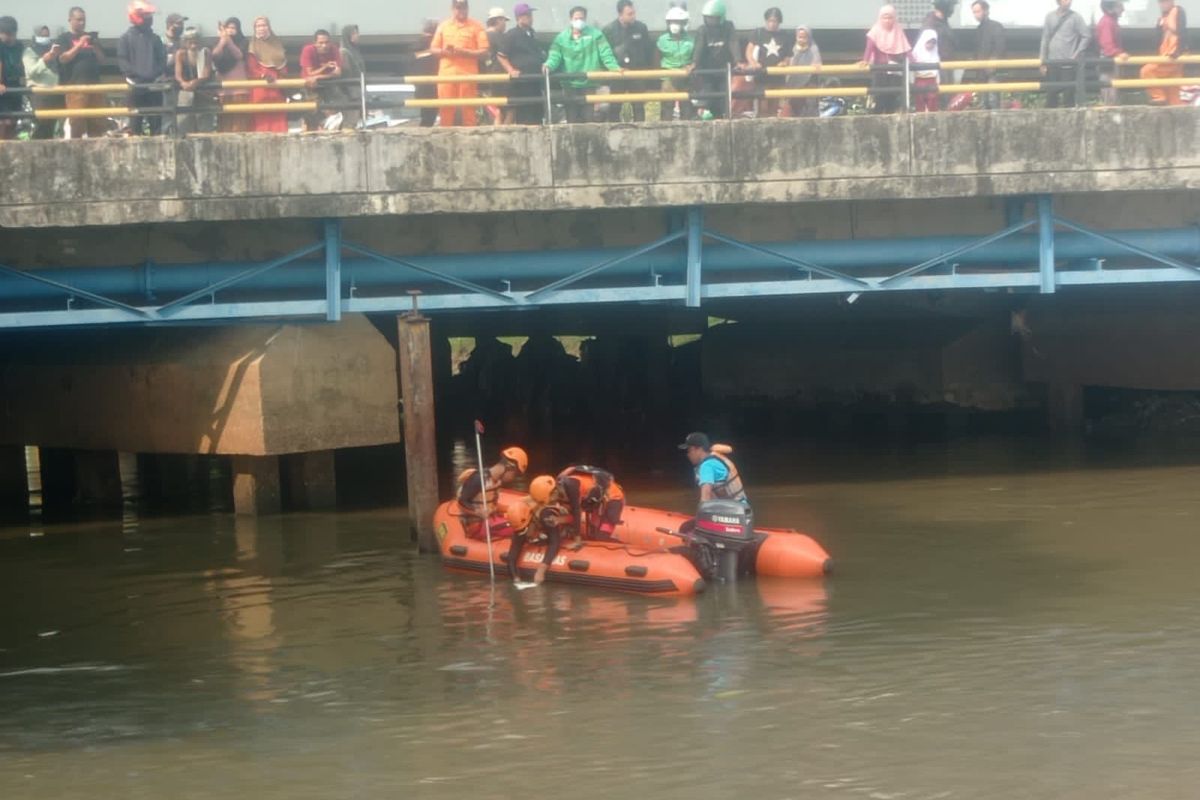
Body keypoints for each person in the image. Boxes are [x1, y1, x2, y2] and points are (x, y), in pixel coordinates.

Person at [543, 6, 621, 123]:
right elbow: (554, 56)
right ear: (570, 19)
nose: (579, 21)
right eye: (576, 18)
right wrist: (548, 65)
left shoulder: (596, 35)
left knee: (588, 118)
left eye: (582, 18)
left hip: (589, 83)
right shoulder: (561, 38)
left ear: (585, 19)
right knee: (571, 119)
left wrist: (615, 68)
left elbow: (606, 54)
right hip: (569, 84)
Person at [430, 0, 490, 127]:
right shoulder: (443, 26)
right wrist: (444, 51)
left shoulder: (477, 26)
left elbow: (485, 52)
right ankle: (445, 135)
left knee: (469, 109)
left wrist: (466, 52)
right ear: (453, 9)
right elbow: (433, 49)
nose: (461, 10)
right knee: (445, 108)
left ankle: (471, 137)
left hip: (468, 75)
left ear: (468, 8)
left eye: (463, 7)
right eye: (458, 7)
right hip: (446, 75)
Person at [506, 474, 570, 585]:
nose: (523, 533)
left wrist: (541, 570)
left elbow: (555, 542)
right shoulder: (521, 523)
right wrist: (516, 580)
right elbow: (511, 558)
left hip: (557, 523)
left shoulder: (545, 515)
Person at [455, 446, 528, 540]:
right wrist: (478, 513)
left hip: (491, 520)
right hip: (477, 526)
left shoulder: (497, 481)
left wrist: (511, 508)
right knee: (519, 527)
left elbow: (492, 505)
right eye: (515, 474)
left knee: (521, 520)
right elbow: (461, 503)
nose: (512, 479)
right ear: (509, 467)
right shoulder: (478, 479)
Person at [117, 1, 167, 136]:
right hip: (135, 87)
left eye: (150, 16)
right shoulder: (125, 39)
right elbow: (123, 62)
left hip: (154, 86)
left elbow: (162, 61)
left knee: (156, 125)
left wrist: (154, 76)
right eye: (146, 16)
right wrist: (137, 77)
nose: (149, 19)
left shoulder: (156, 39)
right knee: (135, 126)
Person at [57, 7, 107, 139]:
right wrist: (80, 44)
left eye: (84, 20)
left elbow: (102, 60)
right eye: (79, 20)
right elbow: (63, 58)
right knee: (77, 123)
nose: (82, 23)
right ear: (70, 20)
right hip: (75, 87)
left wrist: (95, 45)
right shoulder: (63, 38)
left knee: (97, 123)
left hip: (95, 86)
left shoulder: (91, 38)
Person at [603, 0, 654, 122]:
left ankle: (641, 131)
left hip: (637, 72)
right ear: (620, 14)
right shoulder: (609, 30)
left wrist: (645, 69)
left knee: (638, 106)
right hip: (617, 73)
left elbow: (648, 50)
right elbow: (605, 53)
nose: (633, 16)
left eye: (634, 13)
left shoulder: (641, 28)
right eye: (629, 14)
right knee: (615, 106)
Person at [497, 3, 546, 125]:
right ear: (519, 17)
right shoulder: (512, 34)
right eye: (527, 15)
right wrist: (511, 70)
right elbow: (501, 55)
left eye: (531, 15)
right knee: (524, 117)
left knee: (537, 115)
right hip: (521, 84)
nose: (530, 18)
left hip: (535, 82)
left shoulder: (532, 34)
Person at [691, 0, 740, 119]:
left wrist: (738, 61)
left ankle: (723, 119)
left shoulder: (728, 27)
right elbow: (699, 47)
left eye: (714, 18)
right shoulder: (702, 30)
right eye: (708, 18)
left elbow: (733, 43)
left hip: (724, 71)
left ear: (721, 17)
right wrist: (694, 63)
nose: (710, 21)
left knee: (724, 100)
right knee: (706, 100)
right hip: (707, 72)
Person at [554, 464, 626, 546]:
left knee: (602, 538)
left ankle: (624, 546)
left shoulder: (571, 487)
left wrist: (577, 539)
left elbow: (576, 512)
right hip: (596, 499)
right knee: (592, 535)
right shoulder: (561, 483)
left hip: (613, 498)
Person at [1039, 0, 1091, 108]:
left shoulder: (1076, 17)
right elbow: (1045, 39)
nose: (1069, 2)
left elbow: (1087, 35)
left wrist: (1077, 53)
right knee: (1051, 94)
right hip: (1052, 61)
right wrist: (1042, 60)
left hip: (1069, 62)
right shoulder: (1049, 16)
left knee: (1068, 95)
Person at [861, 5, 911, 114]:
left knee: (892, 98)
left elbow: (906, 48)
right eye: (885, 18)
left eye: (890, 18)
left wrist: (913, 60)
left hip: (894, 72)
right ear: (880, 18)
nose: (887, 21)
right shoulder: (874, 32)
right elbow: (869, 48)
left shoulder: (898, 31)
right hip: (880, 71)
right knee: (879, 97)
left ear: (894, 18)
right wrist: (865, 60)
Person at [746, 7, 792, 119]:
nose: (772, 24)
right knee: (762, 106)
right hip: (761, 75)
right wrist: (753, 62)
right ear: (766, 21)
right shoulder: (758, 33)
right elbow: (749, 50)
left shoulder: (785, 35)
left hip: (778, 76)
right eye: (769, 20)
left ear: (779, 21)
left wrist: (784, 63)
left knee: (775, 106)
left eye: (775, 21)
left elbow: (788, 55)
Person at [1140, 0, 1188, 106]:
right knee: (1172, 89)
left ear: (1171, 1)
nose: (1162, 4)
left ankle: (1159, 97)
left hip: (1173, 55)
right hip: (1166, 55)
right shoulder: (1163, 17)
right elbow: (1158, 39)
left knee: (1146, 71)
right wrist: (1159, 25)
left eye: (1165, 2)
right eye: (1160, 2)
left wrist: (1178, 51)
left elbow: (1181, 32)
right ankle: (1177, 109)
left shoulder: (1177, 11)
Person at [679, 432, 747, 504]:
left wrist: (701, 513)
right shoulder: (714, 458)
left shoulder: (707, 466)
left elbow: (705, 498)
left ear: (699, 449)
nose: (688, 454)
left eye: (689, 450)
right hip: (741, 507)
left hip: (733, 511)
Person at [247, 17, 287, 134]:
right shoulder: (252, 46)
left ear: (269, 27)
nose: (261, 28)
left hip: (277, 85)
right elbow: (251, 68)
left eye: (264, 25)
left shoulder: (277, 44)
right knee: (261, 116)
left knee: (278, 114)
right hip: (260, 86)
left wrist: (281, 75)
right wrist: (263, 75)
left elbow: (283, 64)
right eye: (258, 26)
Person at [23, 25, 62, 140]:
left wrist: (54, 55)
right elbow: (31, 72)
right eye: (42, 36)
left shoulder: (52, 50)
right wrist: (44, 60)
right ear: (36, 36)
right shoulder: (29, 51)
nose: (45, 38)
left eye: (47, 36)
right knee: (42, 124)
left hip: (54, 92)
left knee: (52, 125)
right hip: (39, 93)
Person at [657, 6, 695, 120]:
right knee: (666, 107)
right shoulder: (662, 40)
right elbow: (656, 58)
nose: (675, 25)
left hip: (685, 76)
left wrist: (691, 66)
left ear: (683, 23)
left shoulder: (690, 40)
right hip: (668, 77)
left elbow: (694, 57)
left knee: (686, 106)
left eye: (678, 22)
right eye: (672, 22)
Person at [212, 17, 250, 132]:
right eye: (228, 27)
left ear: (238, 29)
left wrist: (228, 41)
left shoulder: (243, 41)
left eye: (233, 28)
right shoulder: (220, 42)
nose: (230, 30)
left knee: (239, 123)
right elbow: (215, 55)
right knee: (224, 123)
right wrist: (223, 41)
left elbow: (239, 55)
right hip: (223, 90)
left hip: (239, 89)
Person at [299, 29, 342, 131]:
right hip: (310, 87)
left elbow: (338, 73)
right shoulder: (308, 50)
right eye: (321, 43)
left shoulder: (334, 49)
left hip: (327, 86)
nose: (324, 45)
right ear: (315, 43)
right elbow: (310, 73)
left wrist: (318, 76)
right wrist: (326, 67)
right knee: (311, 115)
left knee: (334, 109)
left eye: (327, 42)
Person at [174, 26, 212, 134]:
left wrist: (195, 82)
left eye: (195, 42)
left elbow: (206, 73)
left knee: (204, 124)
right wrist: (183, 83)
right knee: (184, 122)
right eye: (190, 43)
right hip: (185, 91)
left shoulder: (206, 52)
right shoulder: (181, 53)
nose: (193, 46)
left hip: (204, 90)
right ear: (185, 43)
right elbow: (178, 74)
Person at [971, 0, 1006, 110]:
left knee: (992, 99)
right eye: (974, 12)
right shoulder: (978, 29)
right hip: (981, 71)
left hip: (993, 70)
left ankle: (995, 124)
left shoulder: (996, 26)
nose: (976, 14)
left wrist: (992, 64)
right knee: (983, 101)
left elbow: (1000, 48)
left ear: (986, 11)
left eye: (978, 11)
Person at [1096, 0, 1127, 105]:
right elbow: (1108, 46)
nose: (1123, 9)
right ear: (1111, 8)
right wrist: (1119, 53)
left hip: (1110, 63)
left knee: (1113, 95)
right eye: (1119, 6)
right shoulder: (1107, 22)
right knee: (1110, 97)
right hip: (1108, 64)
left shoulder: (1110, 21)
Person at [785, 25, 821, 117]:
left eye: (804, 37)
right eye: (799, 37)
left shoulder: (813, 48)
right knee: (794, 104)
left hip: (809, 80)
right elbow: (789, 61)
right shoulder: (792, 49)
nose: (801, 39)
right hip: (794, 81)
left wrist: (815, 64)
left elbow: (817, 61)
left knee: (811, 103)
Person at [483, 8, 510, 124]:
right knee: (508, 109)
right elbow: (505, 55)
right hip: (499, 77)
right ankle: (502, 133)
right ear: (498, 20)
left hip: (485, 78)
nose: (505, 24)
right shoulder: (498, 36)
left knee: (493, 110)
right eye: (504, 20)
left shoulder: (482, 35)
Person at [0, 17, 23, 142]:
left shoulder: (20, 46)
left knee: (13, 120)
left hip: (16, 85)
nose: (7, 37)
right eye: (4, 33)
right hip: (3, 88)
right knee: (4, 121)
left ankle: (9, 147)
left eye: (10, 34)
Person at [413, 20, 440, 128]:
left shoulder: (416, 45)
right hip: (433, 86)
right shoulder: (433, 44)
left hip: (422, 86)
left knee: (427, 117)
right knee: (429, 118)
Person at [340, 25, 367, 129]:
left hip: (357, 92)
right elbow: (347, 74)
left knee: (354, 122)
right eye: (354, 33)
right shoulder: (344, 52)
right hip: (350, 94)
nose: (357, 36)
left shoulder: (354, 51)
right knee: (350, 122)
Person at [923, 0, 957, 74]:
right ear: (944, 6)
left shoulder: (943, 22)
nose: (952, 10)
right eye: (951, 6)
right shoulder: (931, 23)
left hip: (946, 65)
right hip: (937, 67)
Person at [913, 29, 941, 111]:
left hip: (932, 79)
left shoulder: (935, 54)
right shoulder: (916, 52)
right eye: (928, 42)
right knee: (919, 100)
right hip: (919, 79)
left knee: (933, 101)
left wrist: (938, 80)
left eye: (933, 43)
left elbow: (937, 69)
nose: (931, 45)